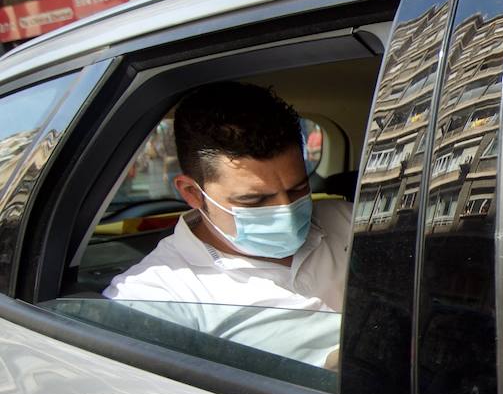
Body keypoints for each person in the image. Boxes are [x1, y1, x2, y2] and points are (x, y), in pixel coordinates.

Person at [104, 82, 351, 368]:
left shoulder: (350, 220)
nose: (285, 210)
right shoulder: (154, 297)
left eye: (298, 189)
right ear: (193, 193)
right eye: (254, 200)